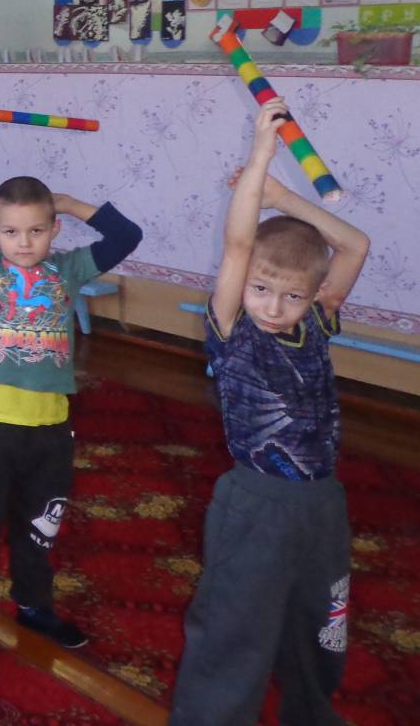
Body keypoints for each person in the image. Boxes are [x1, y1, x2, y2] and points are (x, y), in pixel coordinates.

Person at [169, 99, 369, 725]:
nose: (274, 307)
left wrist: (287, 197)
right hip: (255, 501)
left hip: (322, 503)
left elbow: (354, 244)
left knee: (321, 622)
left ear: (313, 296)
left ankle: (311, 710)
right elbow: (237, 246)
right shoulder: (234, 329)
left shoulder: (318, 320)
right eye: (261, 288)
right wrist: (261, 158)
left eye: (290, 295)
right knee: (235, 626)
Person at [0, 104, 143, 668]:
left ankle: (34, 607)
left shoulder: (69, 269)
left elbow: (127, 235)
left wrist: (71, 203)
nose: (23, 242)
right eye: (10, 231)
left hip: (50, 430)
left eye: (35, 230)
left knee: (39, 530)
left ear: (54, 230)